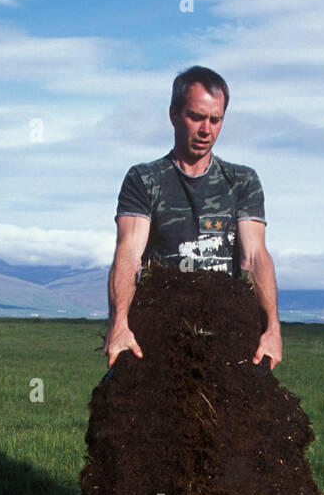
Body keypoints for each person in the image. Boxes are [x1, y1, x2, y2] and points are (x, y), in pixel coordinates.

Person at [104, 66, 282, 370]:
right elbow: (129, 253)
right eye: (196, 117)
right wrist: (119, 323)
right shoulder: (145, 179)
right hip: (160, 332)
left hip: (228, 332)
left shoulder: (242, 181)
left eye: (216, 120)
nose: (206, 130)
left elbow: (254, 256)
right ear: (174, 115)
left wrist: (272, 329)